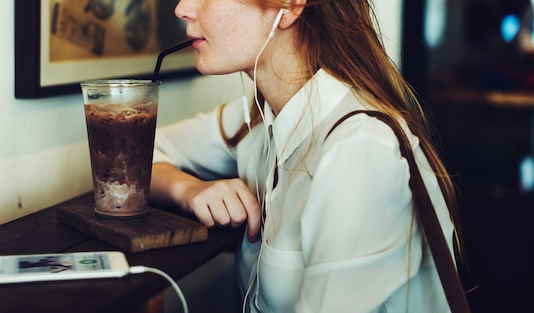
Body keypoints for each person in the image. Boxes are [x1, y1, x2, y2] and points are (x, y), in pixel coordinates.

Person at [150, 0, 464, 312]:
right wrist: (187, 189)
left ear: (288, 8)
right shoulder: (257, 119)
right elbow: (133, 157)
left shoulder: (359, 149)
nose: (182, 8)